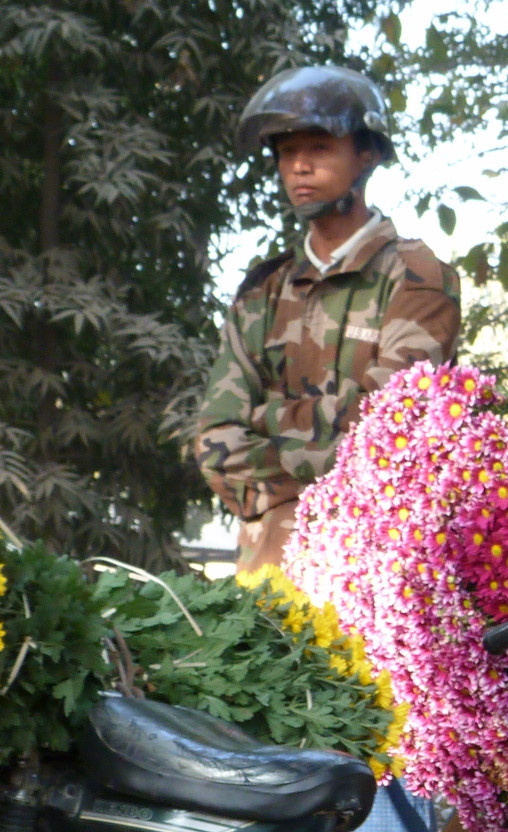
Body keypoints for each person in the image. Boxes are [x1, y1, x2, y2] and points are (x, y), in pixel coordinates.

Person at [191, 65, 462, 576]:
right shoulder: (264, 291)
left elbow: (391, 432)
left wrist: (266, 421)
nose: (298, 167)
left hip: (378, 579)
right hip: (269, 574)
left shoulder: (417, 277)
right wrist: (326, 440)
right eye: (287, 153)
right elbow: (214, 439)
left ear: (369, 155)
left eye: (318, 149)